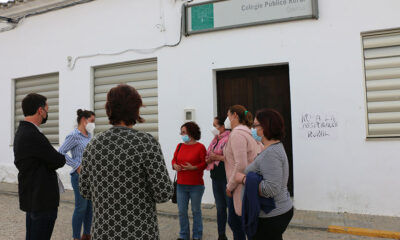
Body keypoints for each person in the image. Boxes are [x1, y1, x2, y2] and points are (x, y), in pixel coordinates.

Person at [79, 84, 173, 240]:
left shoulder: (93, 145)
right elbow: (163, 193)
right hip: (140, 233)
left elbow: (85, 191)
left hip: (103, 232)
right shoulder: (146, 143)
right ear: (136, 109)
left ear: (109, 109)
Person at [13, 93, 66, 240]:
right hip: (41, 200)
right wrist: (59, 156)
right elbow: (58, 160)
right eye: (47, 108)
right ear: (40, 110)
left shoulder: (23, 131)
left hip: (33, 197)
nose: (47, 112)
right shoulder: (32, 134)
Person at [243, 108, 293, 240]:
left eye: (255, 126)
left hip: (272, 215)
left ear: (265, 127)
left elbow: (271, 188)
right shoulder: (272, 148)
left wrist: (244, 180)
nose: (253, 129)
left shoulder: (271, 153)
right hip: (276, 212)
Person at [223, 105, 262, 240]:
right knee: (241, 223)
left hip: (239, 186)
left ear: (235, 115)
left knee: (238, 224)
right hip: (247, 183)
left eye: (228, 116)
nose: (227, 119)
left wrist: (230, 186)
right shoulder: (249, 133)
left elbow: (241, 164)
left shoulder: (237, 134)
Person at [59, 109, 95, 240]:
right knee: (81, 207)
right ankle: (76, 237)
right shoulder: (74, 135)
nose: (93, 124)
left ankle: (87, 234)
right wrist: (76, 165)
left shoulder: (89, 135)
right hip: (79, 177)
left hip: (90, 177)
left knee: (90, 207)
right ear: (84, 120)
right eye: (92, 121)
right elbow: (61, 152)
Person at [172, 121, 207, 240]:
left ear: (191, 132)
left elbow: (204, 164)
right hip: (181, 185)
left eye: (184, 132)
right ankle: (184, 235)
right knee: (182, 211)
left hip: (196, 185)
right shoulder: (179, 146)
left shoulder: (200, 147)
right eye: (181, 133)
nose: (182, 135)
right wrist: (174, 165)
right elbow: (174, 160)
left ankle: (197, 236)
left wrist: (194, 167)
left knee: (196, 211)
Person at [206, 116, 230, 240]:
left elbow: (231, 157)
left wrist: (217, 157)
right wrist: (209, 158)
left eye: (215, 125)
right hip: (215, 177)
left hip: (226, 178)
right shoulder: (215, 139)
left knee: (231, 208)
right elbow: (209, 153)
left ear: (222, 126)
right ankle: (221, 235)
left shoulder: (229, 138)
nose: (213, 128)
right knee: (220, 209)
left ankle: (238, 233)